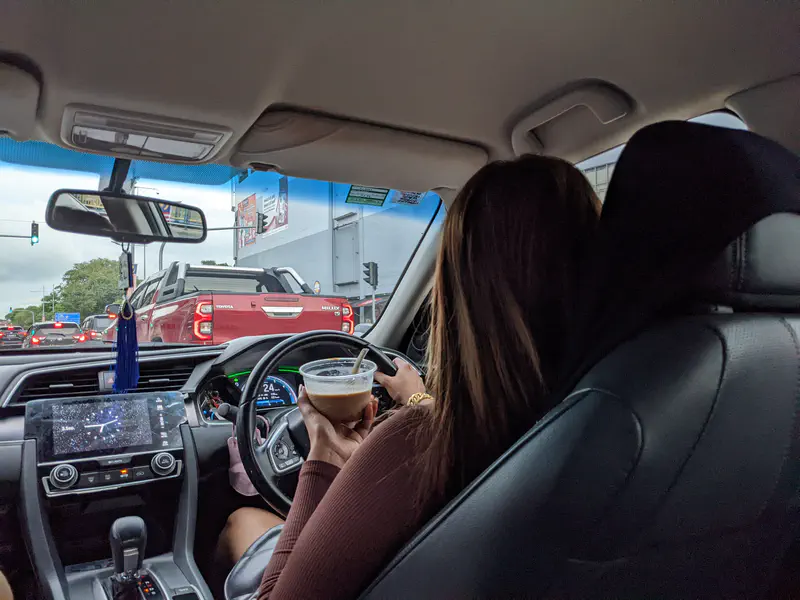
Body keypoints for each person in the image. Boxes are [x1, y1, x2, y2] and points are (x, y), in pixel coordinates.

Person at [215, 154, 602, 599]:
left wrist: (321, 460)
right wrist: (418, 399)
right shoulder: (607, 407)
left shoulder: (415, 445)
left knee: (239, 524)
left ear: (459, 293)